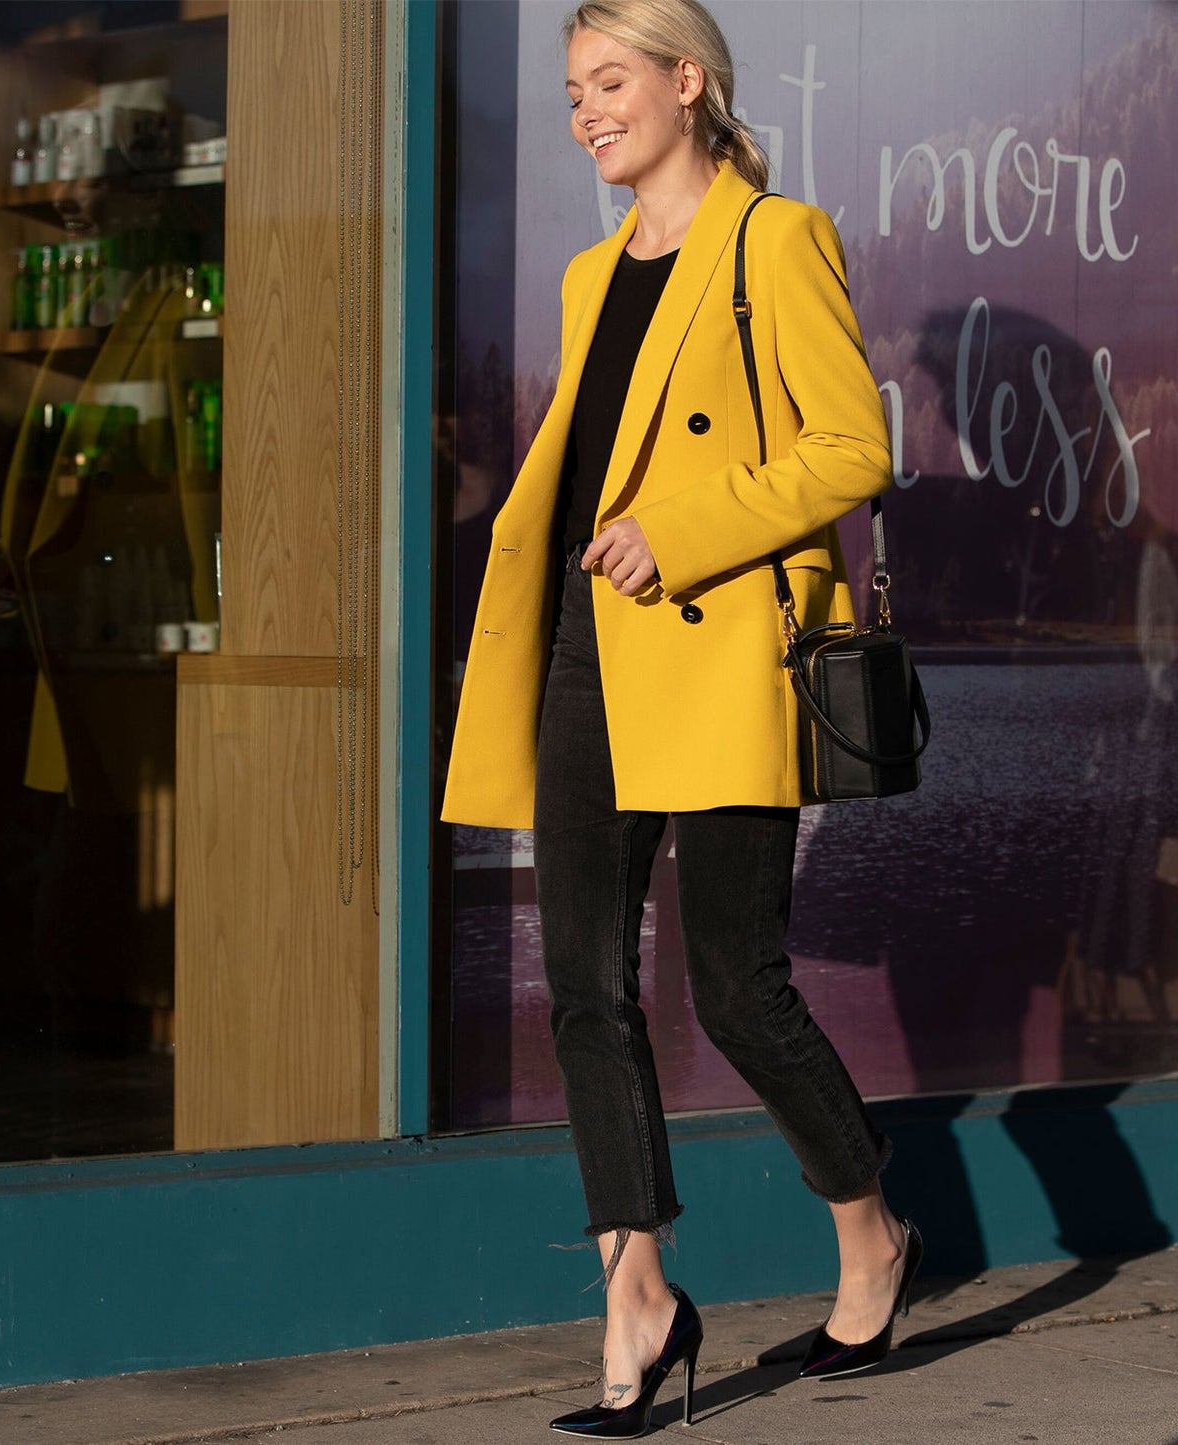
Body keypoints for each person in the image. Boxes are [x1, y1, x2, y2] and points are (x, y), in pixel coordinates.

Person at [441, 1, 919, 1435]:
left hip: (715, 654)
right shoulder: (596, 274)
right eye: (571, 89)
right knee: (582, 979)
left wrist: (685, 527)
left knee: (732, 984)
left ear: (686, 84)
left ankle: (871, 1238)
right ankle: (637, 1286)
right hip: (592, 648)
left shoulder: (773, 240)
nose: (585, 111)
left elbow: (852, 447)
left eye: (608, 81)